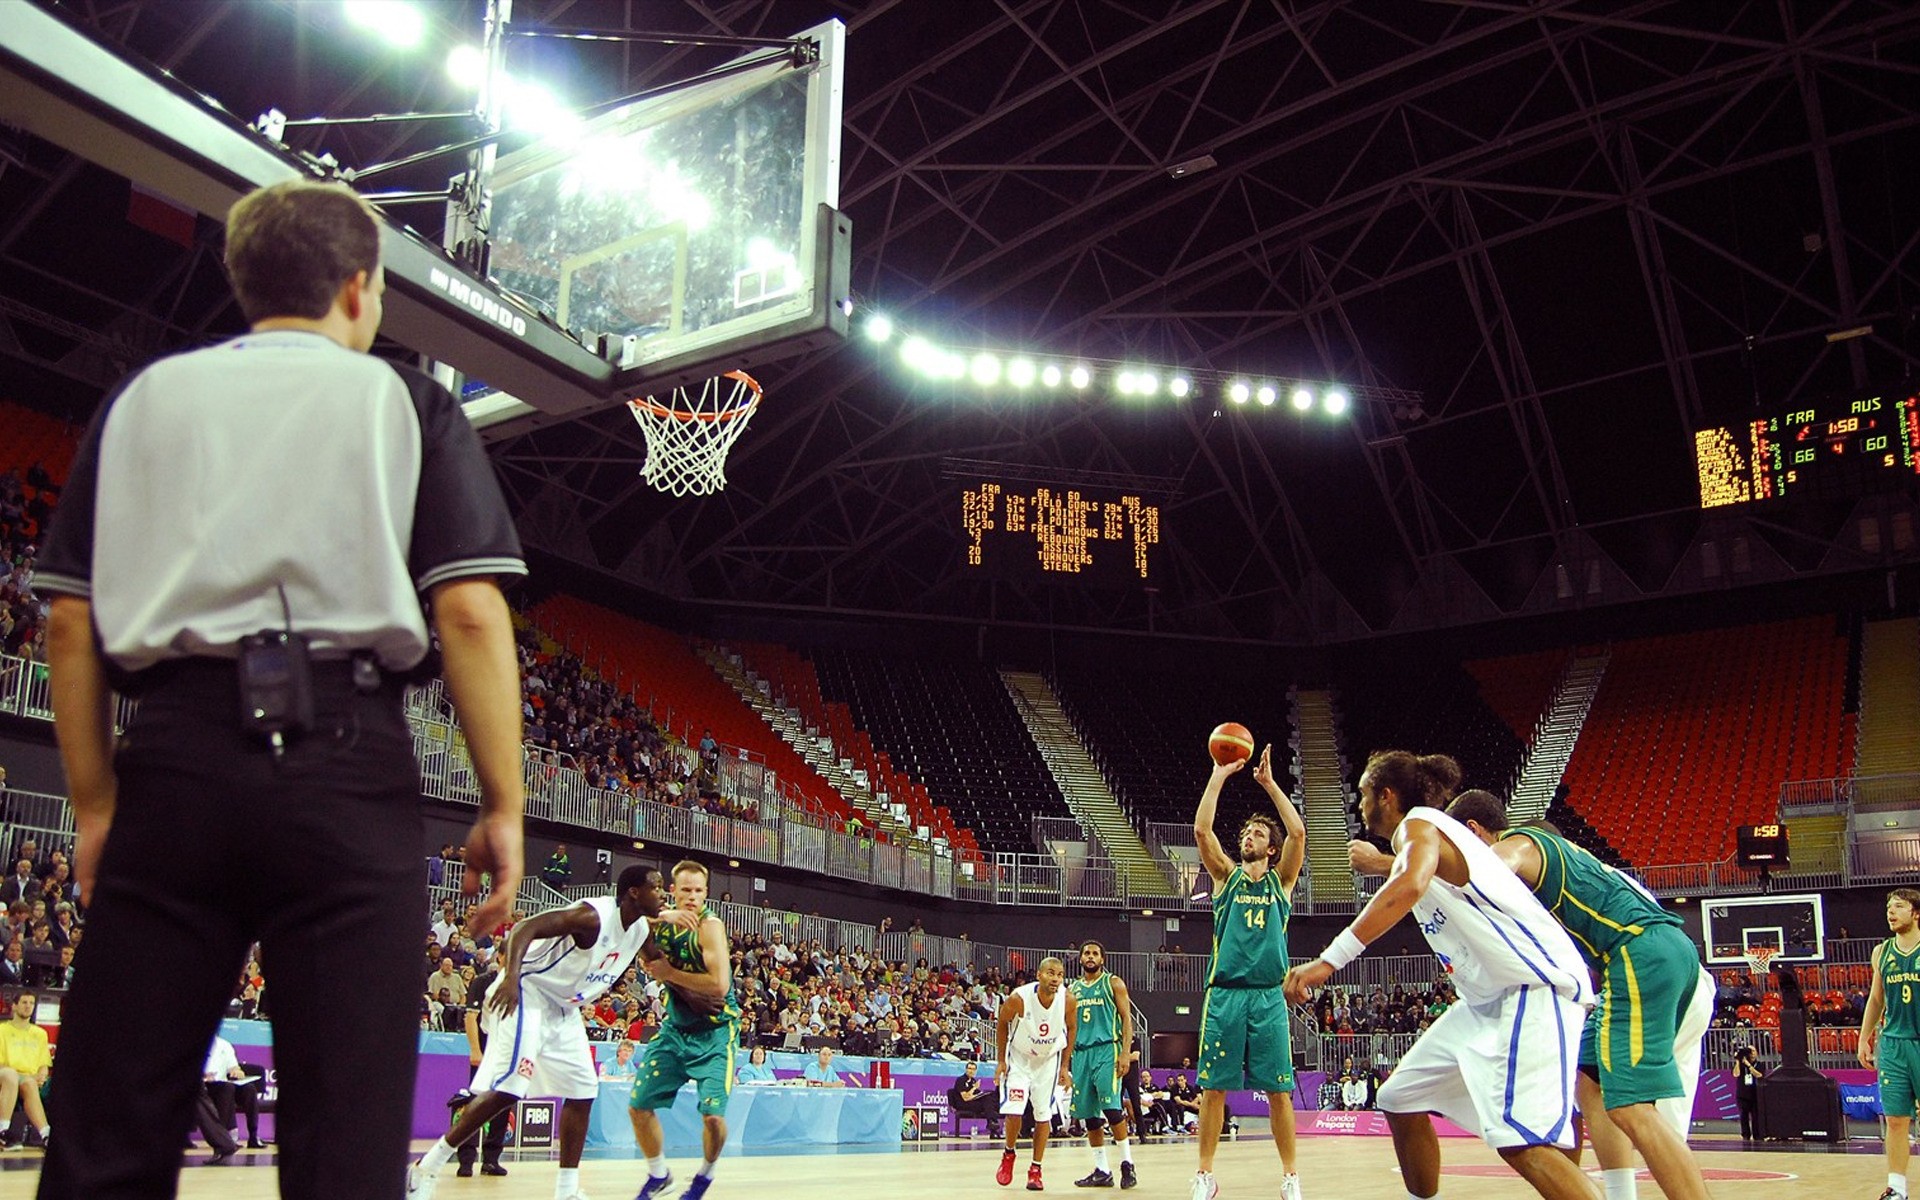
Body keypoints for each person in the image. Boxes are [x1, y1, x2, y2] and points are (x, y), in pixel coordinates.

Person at [35, 178, 528, 1199]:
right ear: (359, 289)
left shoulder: (145, 398)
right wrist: (503, 803)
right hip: (346, 764)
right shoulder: (407, 401)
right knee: (343, 1141)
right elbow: (472, 613)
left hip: (174, 752)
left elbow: (71, 619)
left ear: (242, 281)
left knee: (109, 1128)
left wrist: (92, 805)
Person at [1282, 750, 1595, 1200]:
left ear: (1386, 796)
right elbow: (1412, 873)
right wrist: (1377, 865)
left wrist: (1328, 961)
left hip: (1532, 988)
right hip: (1485, 1003)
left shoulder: (1421, 824)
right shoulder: (1426, 839)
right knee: (1398, 1098)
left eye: (1364, 795)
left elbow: (1408, 883)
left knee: (1523, 1143)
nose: (1359, 806)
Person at [1446, 792, 1715, 1200]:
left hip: (1642, 956)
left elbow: (1489, 872)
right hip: (1669, 961)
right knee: (1590, 1080)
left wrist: (1399, 865)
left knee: (1633, 1107)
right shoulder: (1582, 869)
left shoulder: (1523, 841)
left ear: (1473, 833)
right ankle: (1621, 1194)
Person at [406, 865, 692, 1200]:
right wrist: (511, 976)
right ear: (633, 892)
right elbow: (524, 928)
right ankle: (429, 1165)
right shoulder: (591, 917)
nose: (665, 893)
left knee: (584, 1089)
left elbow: (658, 963)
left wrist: (699, 989)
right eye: (657, 888)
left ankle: (566, 1191)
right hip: (527, 991)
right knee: (512, 1085)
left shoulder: (640, 930)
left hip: (564, 1007)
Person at [1188, 743, 1306, 1200]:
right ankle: (1205, 1175)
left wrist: (1270, 784)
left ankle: (1291, 1176)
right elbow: (1202, 830)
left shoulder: (1283, 881)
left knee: (1279, 1092)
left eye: (1258, 833)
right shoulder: (1225, 876)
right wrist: (1219, 774)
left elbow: (1299, 833)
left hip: (1268, 996)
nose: (1249, 837)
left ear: (1270, 848)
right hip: (1226, 994)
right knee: (1214, 1089)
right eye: (1247, 832)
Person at [630, 859, 739, 1200]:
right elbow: (625, 912)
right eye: (686, 890)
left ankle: (705, 1177)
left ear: (706, 893)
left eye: (698, 891)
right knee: (638, 1105)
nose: (692, 897)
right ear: (672, 891)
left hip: (716, 1032)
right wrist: (662, 916)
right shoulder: (659, 921)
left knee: (712, 1118)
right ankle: (658, 1174)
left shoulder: (710, 926)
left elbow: (719, 986)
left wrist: (668, 974)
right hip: (676, 1028)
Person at [996, 954, 1075, 1191]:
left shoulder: (1068, 1000)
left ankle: (1036, 1169)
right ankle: (1009, 1154)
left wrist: (1064, 1066)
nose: (1055, 978)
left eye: (1059, 974)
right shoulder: (1018, 998)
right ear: (1039, 975)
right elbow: (1001, 1024)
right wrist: (1001, 1061)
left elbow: (1071, 1029)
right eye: (1050, 973)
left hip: (1048, 1060)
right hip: (1020, 1058)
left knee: (1044, 1116)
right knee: (1015, 1111)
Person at [1862, 887, 1920, 1200]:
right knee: (1896, 1119)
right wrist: (1864, 1037)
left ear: (1916, 913)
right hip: (1894, 1043)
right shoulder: (1881, 952)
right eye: (1889, 907)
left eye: (1899, 906)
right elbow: (1875, 999)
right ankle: (1897, 1189)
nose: (1891, 912)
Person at [1068, 939, 1138, 1189]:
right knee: (1089, 1116)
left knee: (1111, 1108)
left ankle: (1127, 1164)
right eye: (1086, 953)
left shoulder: (1113, 983)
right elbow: (1068, 1026)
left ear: (1102, 959)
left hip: (1108, 1048)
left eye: (1095, 953)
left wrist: (1126, 1052)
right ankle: (1102, 1169)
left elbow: (1126, 1019)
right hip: (1081, 1053)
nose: (1090, 956)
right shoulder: (1073, 988)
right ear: (1080, 958)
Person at [0, 989, 50, 1151]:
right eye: (24, 1002)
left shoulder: (40, 1033)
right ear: (14, 1006)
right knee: (11, 1075)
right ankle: (2, 1130)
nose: (28, 1006)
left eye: (31, 1003)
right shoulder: (2, 1030)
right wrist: (28, 1076)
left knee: (29, 1083)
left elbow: (44, 1064)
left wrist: (41, 1076)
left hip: (29, 1080)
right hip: (6, 1075)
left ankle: (46, 1135)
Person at [201, 1033, 266, 1150]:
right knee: (227, 1088)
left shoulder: (224, 1045)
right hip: (205, 1086)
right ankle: (224, 1138)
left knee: (249, 1089)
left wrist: (237, 1073)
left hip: (223, 1084)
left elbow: (235, 1068)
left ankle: (253, 1136)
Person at [949, 1059, 1001, 1136]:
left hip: (972, 1102)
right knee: (987, 1103)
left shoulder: (973, 1081)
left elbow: (976, 1094)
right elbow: (965, 1098)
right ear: (966, 1069)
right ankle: (992, 1122)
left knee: (989, 1098)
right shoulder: (961, 1080)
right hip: (962, 1104)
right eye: (969, 1068)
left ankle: (992, 1122)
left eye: (973, 1069)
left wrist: (982, 1094)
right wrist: (974, 1088)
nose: (971, 1071)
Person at [1733, 1045, 1762, 1142]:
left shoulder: (1760, 1064)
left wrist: (1748, 1064)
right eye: (1750, 1051)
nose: (1752, 1053)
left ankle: (1757, 1135)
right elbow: (1736, 1074)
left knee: (1756, 1116)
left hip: (1755, 1093)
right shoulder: (1741, 1065)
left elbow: (1759, 1075)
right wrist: (1738, 1060)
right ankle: (1745, 1134)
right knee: (1743, 1115)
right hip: (1742, 1094)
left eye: (1753, 1051)